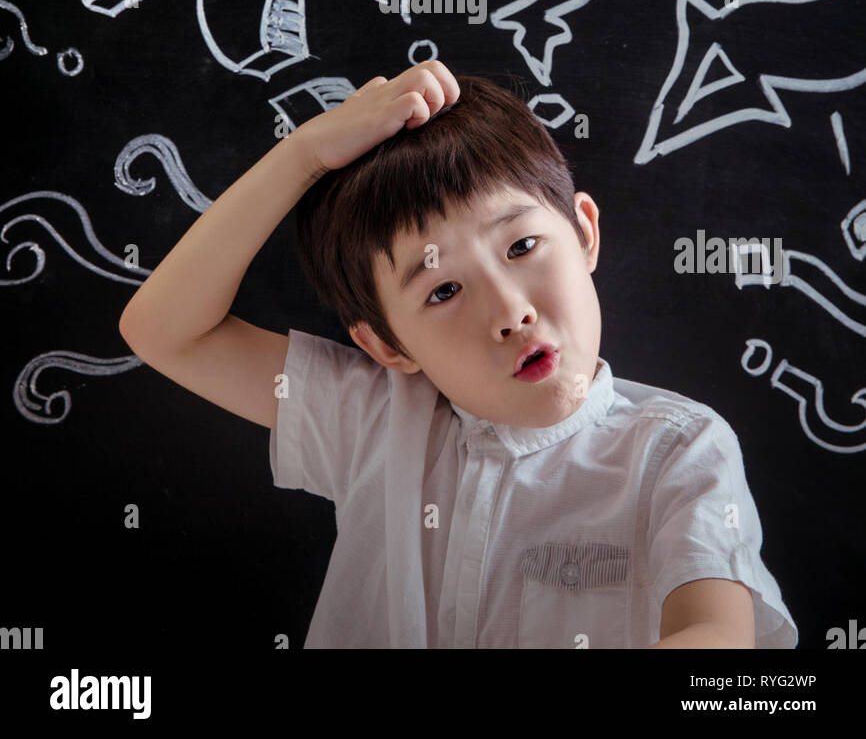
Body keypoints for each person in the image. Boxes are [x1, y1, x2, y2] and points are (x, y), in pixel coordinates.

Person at [118, 61, 798, 649]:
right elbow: (166, 330)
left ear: (584, 232)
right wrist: (304, 154)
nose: (509, 312)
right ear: (386, 344)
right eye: (443, 289)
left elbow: (715, 638)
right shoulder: (371, 423)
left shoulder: (678, 451)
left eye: (523, 247)